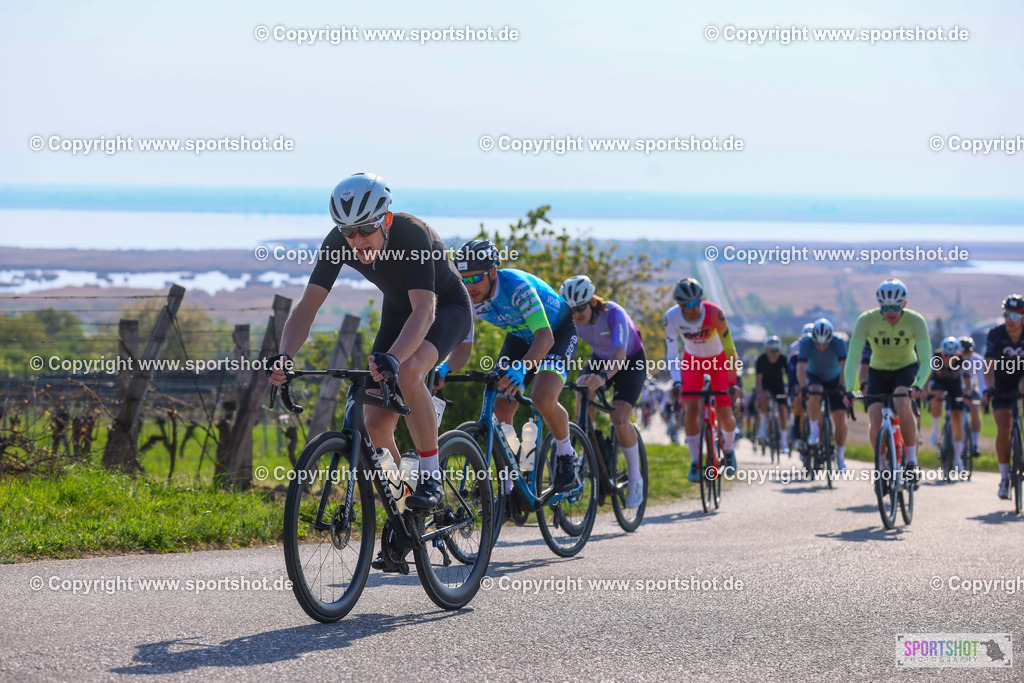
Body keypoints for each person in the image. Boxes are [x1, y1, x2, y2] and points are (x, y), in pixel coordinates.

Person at [267, 173, 472, 514]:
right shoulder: (338, 242)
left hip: (444, 307)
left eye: (366, 229)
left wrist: (394, 357)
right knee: (374, 422)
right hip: (397, 310)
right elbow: (308, 306)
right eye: (348, 232)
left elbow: (424, 310)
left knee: (408, 370)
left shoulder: (412, 235)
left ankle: (431, 477)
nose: (357, 240)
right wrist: (285, 356)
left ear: (386, 219)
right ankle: (405, 510)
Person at [439, 240, 579, 494]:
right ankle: (513, 476)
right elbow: (463, 350)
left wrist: (523, 368)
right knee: (501, 403)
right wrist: (445, 367)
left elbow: (545, 338)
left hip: (555, 334)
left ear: (493, 272)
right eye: (464, 280)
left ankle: (566, 454)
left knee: (542, 397)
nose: (469, 287)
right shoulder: (467, 297)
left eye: (475, 279)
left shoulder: (517, 288)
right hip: (519, 337)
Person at [560, 275, 647, 507]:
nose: (576, 314)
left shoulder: (614, 313)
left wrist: (603, 377)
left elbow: (619, 354)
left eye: (580, 307)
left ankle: (636, 479)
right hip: (600, 358)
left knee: (619, 418)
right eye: (571, 309)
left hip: (630, 361)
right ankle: (590, 444)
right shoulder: (572, 319)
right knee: (581, 387)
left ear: (592, 302)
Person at [843, 279, 931, 486]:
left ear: (905, 304)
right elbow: (852, 359)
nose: (891, 312)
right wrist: (849, 389)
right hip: (878, 371)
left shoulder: (916, 321)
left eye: (896, 307)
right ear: (879, 305)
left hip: (905, 369)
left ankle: (911, 460)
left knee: (902, 404)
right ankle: (881, 465)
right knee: (874, 418)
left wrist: (918, 384)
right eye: (885, 307)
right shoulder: (866, 320)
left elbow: (926, 359)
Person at [664, 277, 741, 481]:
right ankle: (695, 462)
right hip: (693, 363)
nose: (695, 308)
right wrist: (677, 381)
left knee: (725, 413)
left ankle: (730, 450)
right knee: (691, 410)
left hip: (719, 363)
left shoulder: (715, 313)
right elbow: (672, 354)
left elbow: (730, 349)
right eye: (689, 304)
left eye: (698, 302)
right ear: (680, 305)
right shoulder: (671, 318)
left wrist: (733, 383)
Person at [983, 294, 1024, 500]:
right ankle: (1005, 477)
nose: (1010, 320)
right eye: (1007, 315)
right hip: (1001, 383)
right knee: (1004, 426)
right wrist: (989, 388)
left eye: (1016, 317)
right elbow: (988, 368)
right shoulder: (996, 334)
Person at [797, 318, 849, 470]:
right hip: (815, 376)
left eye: (825, 344)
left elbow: (844, 367)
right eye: (817, 344)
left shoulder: (838, 342)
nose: (821, 347)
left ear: (830, 339)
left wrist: (843, 385)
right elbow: (801, 368)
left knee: (840, 417)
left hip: (834, 378)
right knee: (815, 391)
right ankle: (814, 432)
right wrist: (804, 386)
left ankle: (840, 457)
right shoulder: (806, 343)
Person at [925, 336, 970, 472]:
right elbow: (926, 380)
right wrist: (928, 394)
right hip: (939, 383)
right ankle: (935, 429)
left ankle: (957, 457)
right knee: (937, 397)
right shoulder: (935, 359)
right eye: (946, 355)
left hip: (955, 386)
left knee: (957, 416)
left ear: (958, 354)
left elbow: (968, 384)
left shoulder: (963, 361)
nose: (949, 359)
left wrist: (967, 395)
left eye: (952, 356)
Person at [755, 336, 790, 453]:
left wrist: (790, 390)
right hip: (766, 386)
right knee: (764, 398)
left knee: (783, 410)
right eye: (772, 350)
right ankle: (763, 426)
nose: (775, 354)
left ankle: (784, 441)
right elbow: (758, 379)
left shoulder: (783, 359)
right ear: (766, 351)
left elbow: (789, 376)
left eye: (777, 350)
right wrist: (759, 392)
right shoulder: (761, 360)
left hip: (779, 386)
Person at [958, 336, 985, 456]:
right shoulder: (954, 359)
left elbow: (982, 380)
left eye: (967, 352)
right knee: (956, 413)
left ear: (972, 352)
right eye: (962, 352)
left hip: (971, 388)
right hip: (957, 388)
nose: (965, 355)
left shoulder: (978, 361)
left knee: (975, 409)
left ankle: (975, 443)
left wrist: (984, 395)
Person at [787, 323, 814, 445]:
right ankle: (797, 426)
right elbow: (792, 372)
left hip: (813, 380)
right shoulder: (794, 350)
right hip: (798, 379)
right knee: (799, 402)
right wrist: (794, 388)